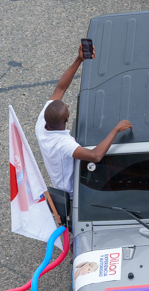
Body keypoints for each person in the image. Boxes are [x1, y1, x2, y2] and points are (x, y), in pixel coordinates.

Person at [35, 47, 132, 195]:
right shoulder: (63, 145)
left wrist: (79, 59)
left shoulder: (42, 122)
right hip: (72, 191)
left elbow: (60, 89)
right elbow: (95, 156)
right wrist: (116, 130)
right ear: (67, 118)